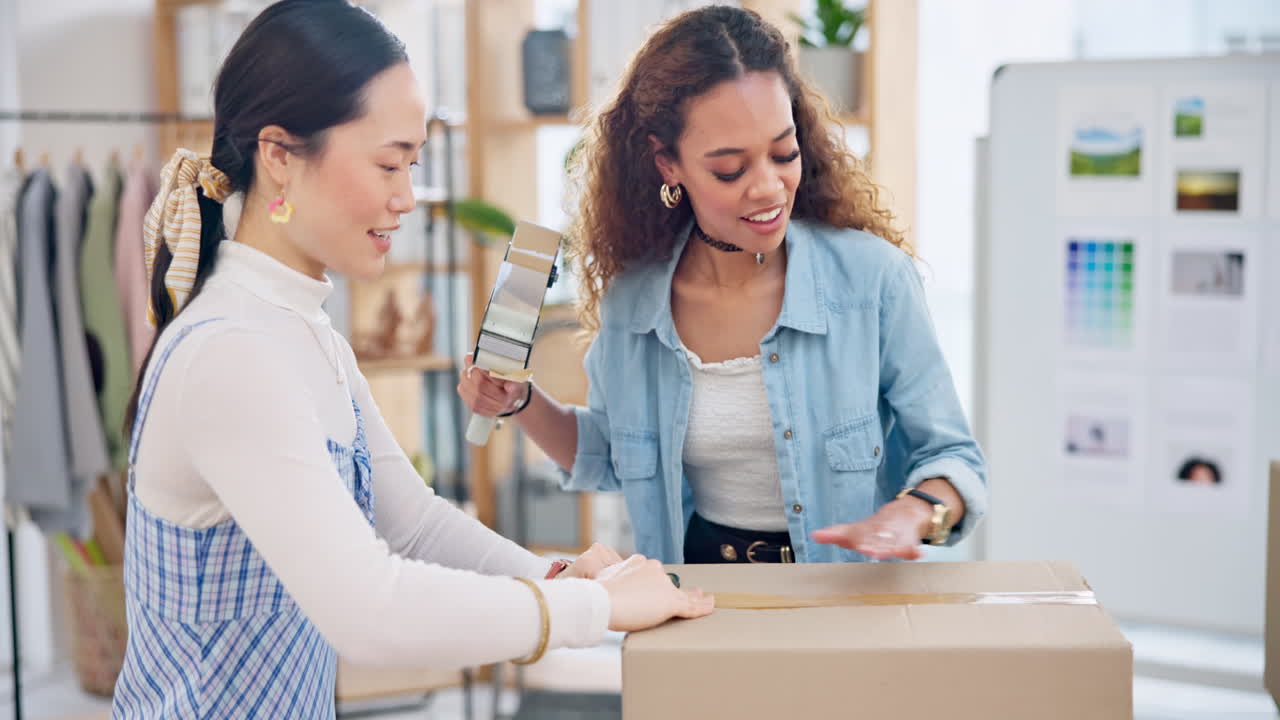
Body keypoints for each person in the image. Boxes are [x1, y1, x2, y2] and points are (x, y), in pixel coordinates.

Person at [112, 2, 711, 716]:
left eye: (414, 165)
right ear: (279, 155)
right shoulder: (231, 355)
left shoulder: (305, 334)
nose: (406, 199)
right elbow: (369, 611)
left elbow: (415, 523)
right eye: (387, 163)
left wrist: (555, 572)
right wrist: (588, 608)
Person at [458, 5, 987, 566]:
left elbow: (953, 457)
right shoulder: (636, 302)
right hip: (699, 599)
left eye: (784, 153)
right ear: (669, 164)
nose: (768, 189)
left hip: (843, 603)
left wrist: (914, 512)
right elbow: (611, 456)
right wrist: (518, 401)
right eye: (730, 170)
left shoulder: (872, 281)